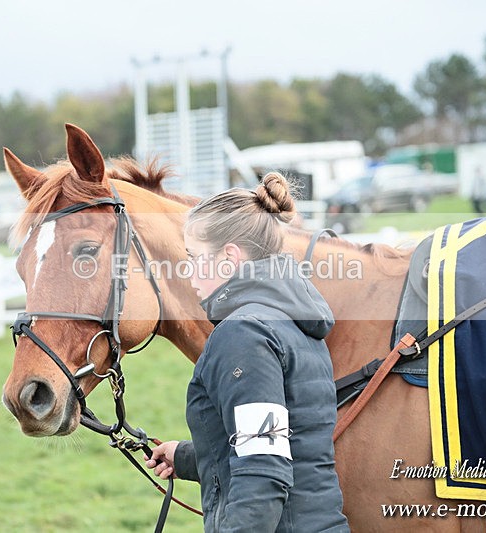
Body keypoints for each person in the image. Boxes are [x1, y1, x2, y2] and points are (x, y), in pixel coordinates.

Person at [145, 173, 350, 532]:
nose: (188, 270)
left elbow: (263, 471)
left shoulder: (244, 332)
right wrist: (187, 457)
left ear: (229, 257)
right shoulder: (290, 320)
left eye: (194, 257)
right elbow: (286, 441)